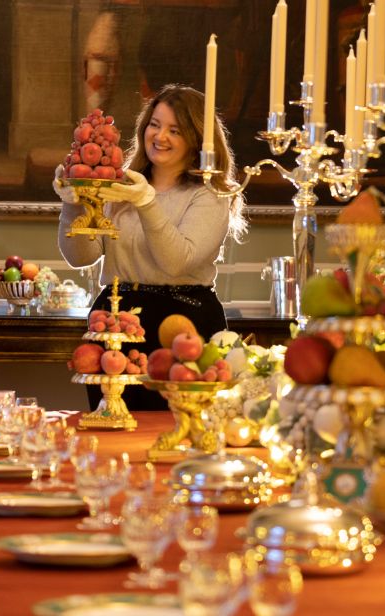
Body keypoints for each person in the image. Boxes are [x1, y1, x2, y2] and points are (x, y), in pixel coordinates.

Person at [55, 84, 246, 411]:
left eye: (175, 130)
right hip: (117, 319)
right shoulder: (120, 185)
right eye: (154, 125)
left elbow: (177, 262)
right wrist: (73, 205)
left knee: (179, 432)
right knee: (111, 427)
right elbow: (80, 256)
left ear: (197, 138)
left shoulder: (210, 194)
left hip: (183, 321)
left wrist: (145, 202)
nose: (160, 136)